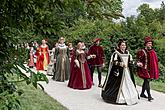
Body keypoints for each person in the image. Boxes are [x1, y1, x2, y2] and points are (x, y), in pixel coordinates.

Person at [102, 39, 139, 105]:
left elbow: (130, 61)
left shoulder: (128, 53)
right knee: (117, 85)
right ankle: (118, 98)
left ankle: (130, 97)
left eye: (124, 45)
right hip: (119, 73)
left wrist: (136, 64)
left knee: (129, 83)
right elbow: (114, 62)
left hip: (126, 72)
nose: (123, 46)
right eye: (122, 45)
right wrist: (121, 64)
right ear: (119, 46)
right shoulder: (116, 53)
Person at [136, 36, 159, 101]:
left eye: (151, 43)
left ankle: (142, 93)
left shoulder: (152, 51)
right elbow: (138, 59)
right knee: (147, 81)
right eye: (149, 43)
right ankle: (149, 96)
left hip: (150, 69)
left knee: (146, 81)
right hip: (144, 68)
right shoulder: (142, 51)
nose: (150, 44)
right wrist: (138, 63)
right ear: (146, 44)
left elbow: (155, 61)